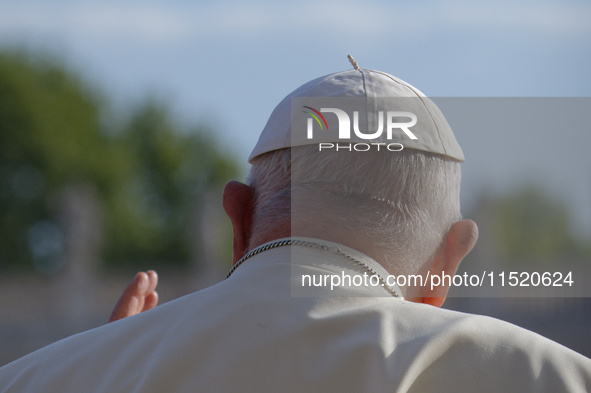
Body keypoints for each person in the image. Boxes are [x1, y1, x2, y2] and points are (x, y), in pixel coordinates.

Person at [1, 59, 590, 392]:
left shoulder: (34, 382)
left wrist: (112, 363)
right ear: (450, 260)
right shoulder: (553, 378)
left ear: (237, 218)